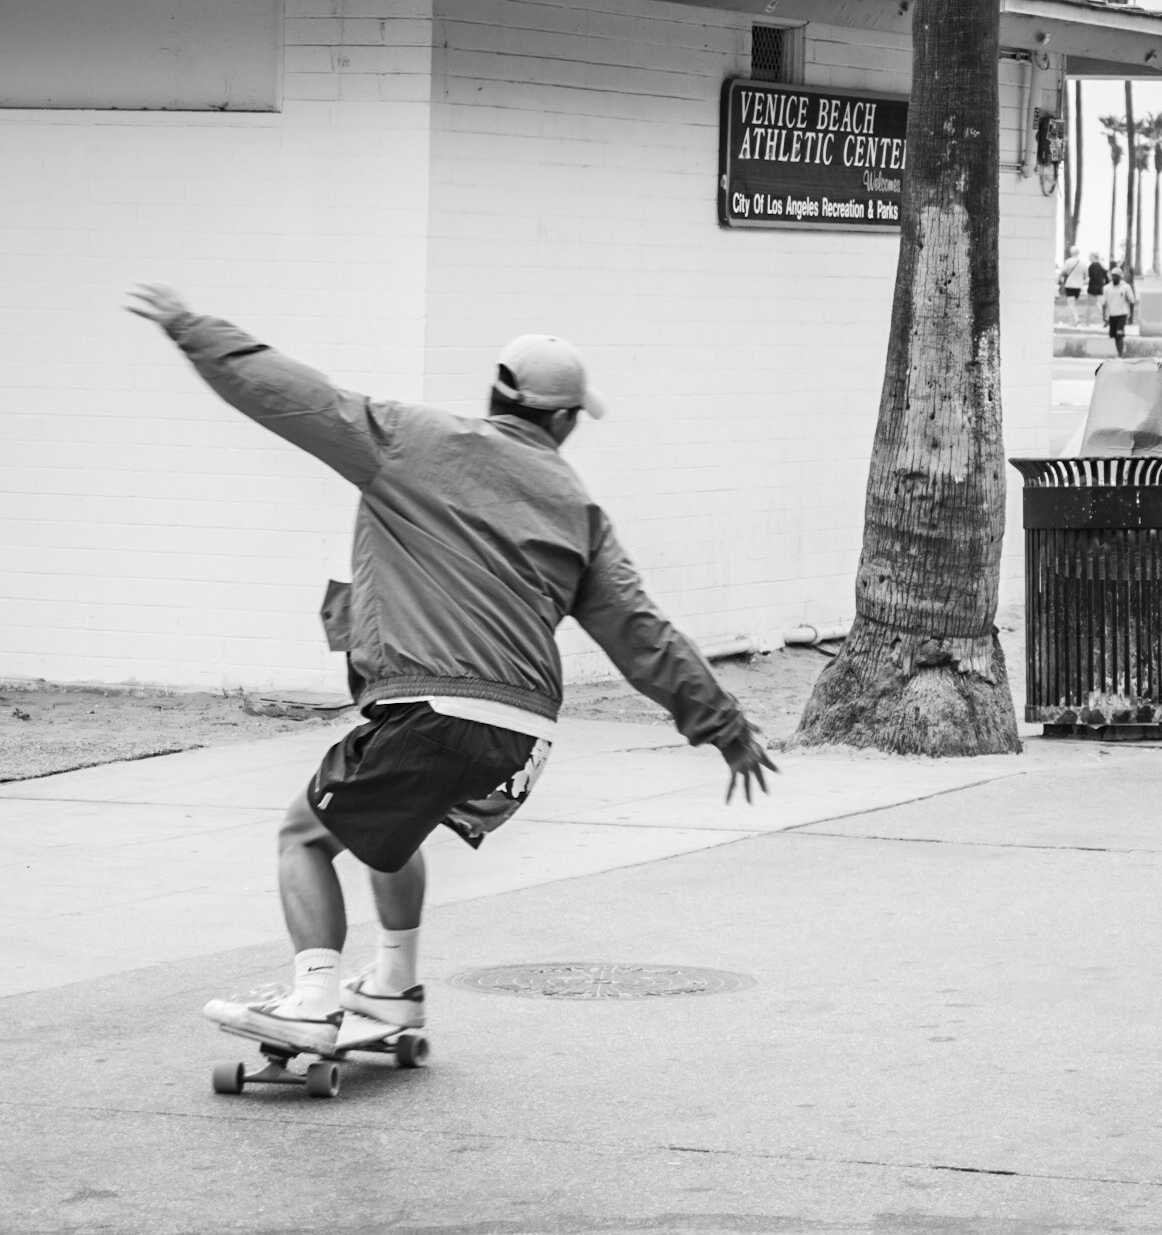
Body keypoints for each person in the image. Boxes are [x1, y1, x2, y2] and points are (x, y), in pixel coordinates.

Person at [125, 283, 776, 1054]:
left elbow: (288, 393)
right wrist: (724, 726)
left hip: (433, 706)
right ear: (564, 419)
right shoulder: (579, 507)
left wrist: (192, 329)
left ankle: (310, 1000)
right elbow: (641, 632)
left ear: (497, 394)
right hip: (520, 736)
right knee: (387, 838)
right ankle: (394, 989)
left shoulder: (406, 436)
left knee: (304, 836)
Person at [1102, 265, 1138, 357]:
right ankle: (1117, 351)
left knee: (1119, 334)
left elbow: (1132, 301)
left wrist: (1131, 317)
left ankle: (1120, 355)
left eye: (1116, 275)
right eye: (1113, 275)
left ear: (1120, 276)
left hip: (1122, 314)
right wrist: (1104, 317)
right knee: (1112, 336)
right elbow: (1104, 303)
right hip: (1112, 314)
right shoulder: (1107, 288)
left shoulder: (1125, 287)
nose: (1114, 277)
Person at [1057, 247, 1089, 326]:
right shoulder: (1083, 263)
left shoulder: (1068, 261)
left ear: (1071, 253)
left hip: (1070, 285)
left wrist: (1057, 281)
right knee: (1073, 304)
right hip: (1079, 286)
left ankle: (1077, 321)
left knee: (1071, 305)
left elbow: (1063, 272)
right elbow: (1086, 276)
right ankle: (1071, 322)